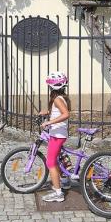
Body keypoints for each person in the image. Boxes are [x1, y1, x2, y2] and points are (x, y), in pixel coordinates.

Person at [40, 71, 71, 202]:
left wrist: (49, 122)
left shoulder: (58, 99)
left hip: (57, 135)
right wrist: (47, 112)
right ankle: (64, 181)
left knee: (50, 162)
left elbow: (65, 114)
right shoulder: (61, 98)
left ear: (52, 87)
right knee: (57, 159)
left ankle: (58, 193)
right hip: (58, 133)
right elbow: (58, 111)